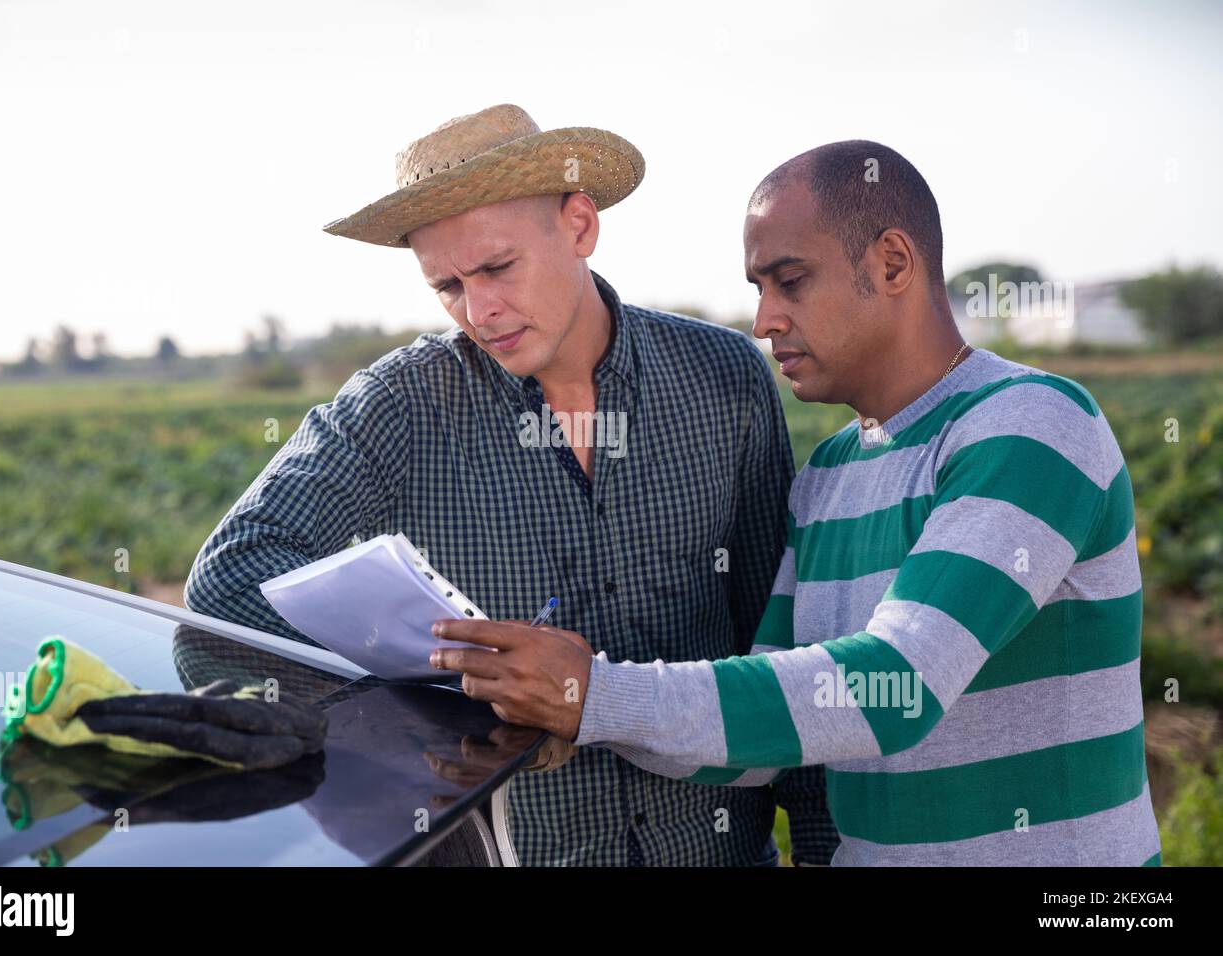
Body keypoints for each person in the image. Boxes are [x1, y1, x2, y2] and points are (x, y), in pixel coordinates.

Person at [431, 140, 1162, 866]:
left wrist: (596, 694)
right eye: (758, 289)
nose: (764, 321)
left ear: (892, 264)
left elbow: (895, 688)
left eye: (790, 282)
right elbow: (760, 753)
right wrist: (574, 714)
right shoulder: (830, 474)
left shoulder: (1030, 424)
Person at [185, 104, 837, 866]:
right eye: (448, 287)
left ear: (579, 225)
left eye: (497, 268)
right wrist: (464, 700)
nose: (480, 310)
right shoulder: (397, 405)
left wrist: (823, 852)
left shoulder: (725, 378)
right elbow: (228, 588)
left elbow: (785, 645)